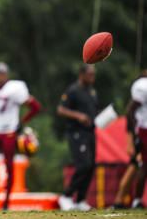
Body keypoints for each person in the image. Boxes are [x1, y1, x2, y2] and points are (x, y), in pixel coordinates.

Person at [0, 62, 41, 210]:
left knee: (9, 167)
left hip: (9, 132)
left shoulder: (16, 89)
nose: (0, 77)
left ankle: (7, 202)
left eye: (2, 74)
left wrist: (21, 123)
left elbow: (36, 107)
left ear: (7, 76)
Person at [57, 64, 98, 211]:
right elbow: (61, 109)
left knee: (91, 166)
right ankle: (67, 196)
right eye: (90, 75)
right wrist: (78, 116)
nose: (92, 78)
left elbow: (93, 111)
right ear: (82, 74)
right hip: (76, 133)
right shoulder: (73, 90)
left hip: (90, 133)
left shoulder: (92, 92)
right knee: (83, 165)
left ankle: (81, 199)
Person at [125, 69, 147, 209]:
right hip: (144, 129)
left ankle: (137, 200)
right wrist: (134, 135)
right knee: (144, 166)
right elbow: (130, 111)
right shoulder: (143, 85)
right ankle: (137, 200)